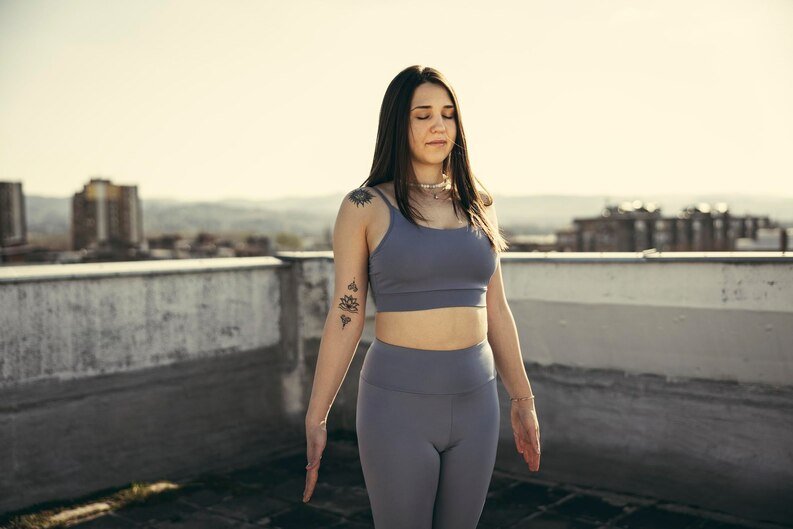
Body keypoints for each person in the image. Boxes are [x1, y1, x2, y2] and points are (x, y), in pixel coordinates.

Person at [302, 65, 541, 529]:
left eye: (448, 114)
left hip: (477, 399)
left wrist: (523, 400)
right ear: (398, 123)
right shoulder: (364, 206)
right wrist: (318, 413)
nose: (438, 125)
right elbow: (346, 315)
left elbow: (496, 309)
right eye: (423, 115)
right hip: (398, 404)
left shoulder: (479, 204)